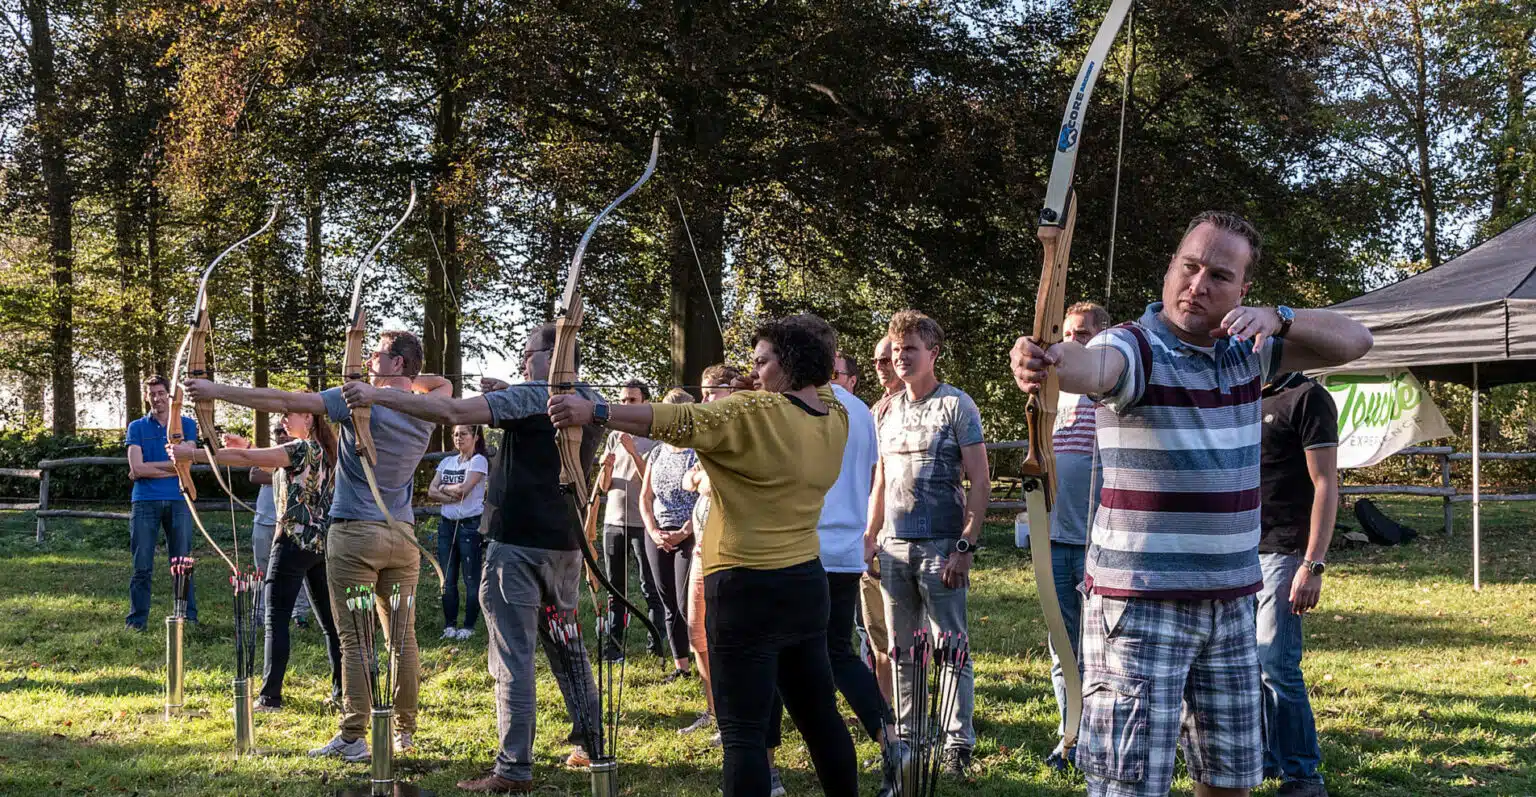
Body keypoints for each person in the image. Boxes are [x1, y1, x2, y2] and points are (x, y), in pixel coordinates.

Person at [1010, 210, 1372, 797]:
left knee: (1230, 781)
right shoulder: (1134, 346)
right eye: (1190, 266)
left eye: (1219, 276)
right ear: (1170, 267)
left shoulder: (1247, 352)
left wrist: (1280, 318)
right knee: (1129, 786)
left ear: (1243, 292)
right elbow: (1091, 367)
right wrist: (1046, 361)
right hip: (1139, 607)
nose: (1198, 284)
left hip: (1232, 602)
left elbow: (1357, 340)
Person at [548, 314, 860, 797]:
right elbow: (811, 381)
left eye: (761, 361)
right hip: (804, 583)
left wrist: (593, 411)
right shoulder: (835, 414)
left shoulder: (749, 412)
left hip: (743, 588)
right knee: (819, 716)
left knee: (743, 732)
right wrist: (771, 376)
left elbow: (673, 420)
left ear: (789, 364)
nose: (752, 372)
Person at [336, 322, 604, 794]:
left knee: (512, 658)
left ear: (555, 353)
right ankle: (592, 744)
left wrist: (374, 394)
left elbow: (453, 409)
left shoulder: (533, 395)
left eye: (529, 353)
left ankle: (513, 769)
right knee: (568, 649)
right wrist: (506, 395)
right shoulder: (589, 399)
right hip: (565, 546)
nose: (523, 362)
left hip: (517, 547)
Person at [184, 329, 450, 762]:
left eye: (377, 355)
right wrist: (389, 383)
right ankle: (404, 732)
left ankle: (354, 735)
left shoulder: (356, 402)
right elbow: (442, 383)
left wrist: (216, 390)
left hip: (356, 536)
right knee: (402, 639)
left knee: (355, 639)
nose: (367, 361)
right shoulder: (428, 406)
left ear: (397, 362)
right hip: (402, 537)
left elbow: (283, 399)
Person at [767, 344, 899, 792]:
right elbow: (874, 475)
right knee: (838, 652)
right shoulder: (861, 410)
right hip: (844, 550)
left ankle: (768, 768)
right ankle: (891, 740)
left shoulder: (796, 406)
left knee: (774, 654)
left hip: (799, 549)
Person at [863, 310, 988, 777]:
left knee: (950, 646)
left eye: (910, 349)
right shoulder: (884, 411)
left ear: (932, 353)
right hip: (893, 546)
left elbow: (980, 481)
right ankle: (911, 739)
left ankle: (957, 744)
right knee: (903, 650)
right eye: (896, 350)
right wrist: (870, 537)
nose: (901, 358)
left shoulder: (956, 405)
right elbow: (880, 481)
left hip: (942, 546)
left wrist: (964, 546)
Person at [170, 399, 344, 713]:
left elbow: (247, 459)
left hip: (291, 541)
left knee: (275, 619)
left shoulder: (300, 448)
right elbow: (264, 461)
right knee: (331, 624)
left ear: (308, 416)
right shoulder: (325, 450)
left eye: (290, 413)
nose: (284, 419)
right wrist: (247, 445)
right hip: (319, 544)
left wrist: (192, 455)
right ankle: (342, 693)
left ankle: (269, 698)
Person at [1257, 372, 1339, 797]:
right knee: (1245, 666)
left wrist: (1313, 564)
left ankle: (1303, 775)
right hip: (1236, 551)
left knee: (1276, 664)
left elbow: (1326, 483)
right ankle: (1264, 761)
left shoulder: (1308, 397)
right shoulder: (1239, 392)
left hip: (1285, 550)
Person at [1043, 301, 1109, 769]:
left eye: (1083, 334)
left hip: (1098, 544)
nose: (1072, 341)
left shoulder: (1110, 392)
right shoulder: (1054, 397)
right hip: (1055, 540)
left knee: (1101, 651)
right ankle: (1069, 738)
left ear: (1103, 336)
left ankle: (1099, 737)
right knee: (1062, 648)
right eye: (1067, 333)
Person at [679, 364, 742, 740]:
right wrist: (701, 478)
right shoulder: (708, 431)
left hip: (730, 552)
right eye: (701, 393)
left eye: (710, 392)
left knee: (726, 638)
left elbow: (720, 482)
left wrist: (704, 479)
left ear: (732, 391)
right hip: (702, 550)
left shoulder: (742, 426)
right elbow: (690, 478)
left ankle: (735, 716)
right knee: (697, 634)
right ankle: (714, 710)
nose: (703, 399)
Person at [597, 380, 665, 660]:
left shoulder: (655, 437)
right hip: (613, 522)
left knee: (651, 588)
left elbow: (653, 482)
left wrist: (633, 451)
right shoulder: (613, 436)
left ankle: (656, 647)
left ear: (645, 402)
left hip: (643, 523)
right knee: (615, 588)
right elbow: (604, 486)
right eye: (623, 400)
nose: (626, 405)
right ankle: (613, 647)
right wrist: (607, 468)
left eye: (632, 400)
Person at [124, 375, 198, 630]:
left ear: (169, 396)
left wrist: (149, 468)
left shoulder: (187, 424)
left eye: (161, 393)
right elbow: (137, 468)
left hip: (179, 499)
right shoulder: (136, 427)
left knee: (182, 564)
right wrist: (174, 467)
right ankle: (137, 622)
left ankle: (187, 618)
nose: (157, 398)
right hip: (145, 501)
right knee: (142, 565)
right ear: (147, 397)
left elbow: (186, 462)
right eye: (152, 394)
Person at [640, 388, 702, 683]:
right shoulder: (657, 451)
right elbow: (645, 496)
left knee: (686, 603)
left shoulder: (698, 450)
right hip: (658, 534)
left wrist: (684, 531)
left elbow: (706, 497)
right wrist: (653, 530)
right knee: (667, 602)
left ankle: (704, 664)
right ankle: (682, 667)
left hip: (689, 535)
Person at [862, 339, 903, 704]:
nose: (881, 366)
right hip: (872, 533)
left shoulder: (928, 406)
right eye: (876, 360)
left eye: (887, 359)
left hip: (906, 533)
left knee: (909, 635)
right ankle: (885, 710)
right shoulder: (873, 410)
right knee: (878, 632)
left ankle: (913, 711)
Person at [430, 424, 490, 641]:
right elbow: (431, 491)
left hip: (469, 526)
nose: (458, 438)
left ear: (475, 436)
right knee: (447, 576)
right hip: (447, 525)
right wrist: (450, 494)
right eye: (455, 434)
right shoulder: (447, 462)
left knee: (471, 577)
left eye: (463, 434)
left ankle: (469, 625)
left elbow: (464, 490)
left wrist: (443, 489)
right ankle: (450, 625)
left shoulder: (478, 461)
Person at [250, 428, 312, 631]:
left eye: (284, 432)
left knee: (296, 569)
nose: (281, 436)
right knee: (261, 569)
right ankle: (259, 613)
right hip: (263, 519)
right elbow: (254, 475)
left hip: (290, 523)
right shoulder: (269, 453)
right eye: (278, 432)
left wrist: (278, 470)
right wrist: (285, 471)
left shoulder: (303, 452)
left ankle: (300, 613)